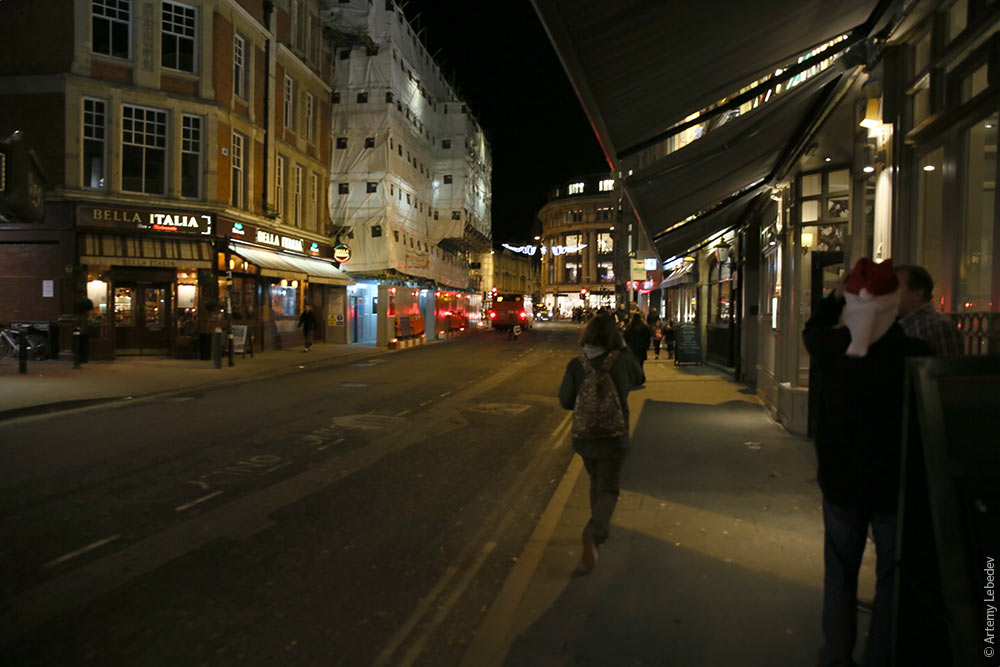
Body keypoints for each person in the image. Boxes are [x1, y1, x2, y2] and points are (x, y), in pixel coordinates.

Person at [803, 258, 931, 667]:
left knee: (840, 572)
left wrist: (834, 297)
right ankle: (881, 654)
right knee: (891, 576)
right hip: (894, 483)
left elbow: (813, 328)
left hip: (841, 482)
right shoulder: (914, 354)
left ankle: (836, 654)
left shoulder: (831, 348)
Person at [558, 313, 644, 574]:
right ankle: (594, 533)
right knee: (608, 488)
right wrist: (625, 349)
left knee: (596, 482)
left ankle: (597, 527)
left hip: (585, 438)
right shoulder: (622, 360)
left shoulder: (577, 365)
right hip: (614, 436)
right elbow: (639, 378)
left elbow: (565, 400)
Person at [895, 264, 963, 355]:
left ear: (917, 294)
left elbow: (947, 363)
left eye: (895, 288)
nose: (888, 294)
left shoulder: (935, 327)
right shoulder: (897, 324)